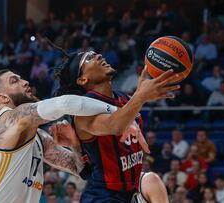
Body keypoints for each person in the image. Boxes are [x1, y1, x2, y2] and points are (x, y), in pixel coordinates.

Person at [0, 69, 138, 202]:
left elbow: (81, 170)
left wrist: (75, 146)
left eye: (21, 78)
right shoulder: (8, 119)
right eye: (15, 81)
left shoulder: (38, 138)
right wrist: (120, 113)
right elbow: (63, 103)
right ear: (3, 98)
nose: (25, 82)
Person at [53, 50, 178, 202]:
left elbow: (89, 170)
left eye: (96, 53)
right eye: (89, 58)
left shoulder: (124, 98)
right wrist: (141, 96)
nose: (98, 56)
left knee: (153, 180)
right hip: (103, 196)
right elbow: (115, 125)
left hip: (129, 193)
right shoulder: (82, 113)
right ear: (82, 79)